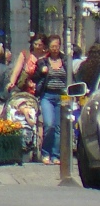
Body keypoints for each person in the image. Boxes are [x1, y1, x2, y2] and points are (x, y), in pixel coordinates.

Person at [37, 35, 67, 165]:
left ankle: (56, 155)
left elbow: (71, 77)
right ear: (49, 47)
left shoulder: (65, 60)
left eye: (57, 46)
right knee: (49, 125)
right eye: (53, 46)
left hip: (62, 96)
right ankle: (45, 152)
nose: (55, 49)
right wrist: (42, 71)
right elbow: (36, 76)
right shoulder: (43, 61)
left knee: (59, 127)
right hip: (47, 96)